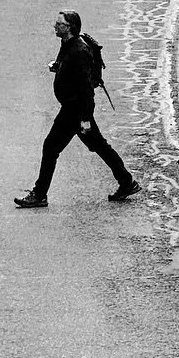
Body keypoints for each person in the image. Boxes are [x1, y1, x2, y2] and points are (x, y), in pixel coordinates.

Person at [14, 11, 139, 209]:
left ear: (69, 27)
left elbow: (86, 90)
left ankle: (39, 194)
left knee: (51, 147)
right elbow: (71, 71)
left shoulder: (79, 51)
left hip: (75, 110)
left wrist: (85, 119)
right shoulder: (67, 44)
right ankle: (127, 182)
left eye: (59, 24)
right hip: (73, 109)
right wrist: (58, 67)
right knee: (100, 146)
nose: (55, 26)